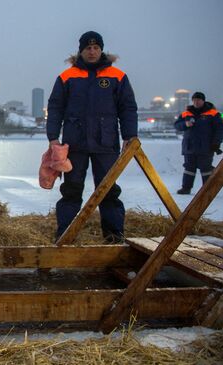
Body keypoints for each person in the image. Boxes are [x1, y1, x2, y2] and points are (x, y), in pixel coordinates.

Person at [46, 31, 138, 243]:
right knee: (71, 190)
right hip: (74, 144)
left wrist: (129, 135)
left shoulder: (117, 76)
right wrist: (53, 137)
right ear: (81, 50)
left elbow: (128, 108)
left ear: (101, 49)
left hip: (106, 143)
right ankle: (65, 237)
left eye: (96, 48)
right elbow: (56, 107)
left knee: (108, 190)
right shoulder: (67, 77)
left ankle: (114, 237)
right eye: (88, 48)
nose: (92, 51)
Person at [174, 92, 223, 194]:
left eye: (198, 100)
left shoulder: (213, 114)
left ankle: (208, 189)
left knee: (206, 169)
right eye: (194, 100)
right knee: (189, 169)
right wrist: (185, 124)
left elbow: (219, 130)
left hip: (205, 147)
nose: (196, 102)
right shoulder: (186, 113)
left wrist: (216, 143)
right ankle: (186, 188)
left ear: (203, 101)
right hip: (189, 146)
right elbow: (177, 125)